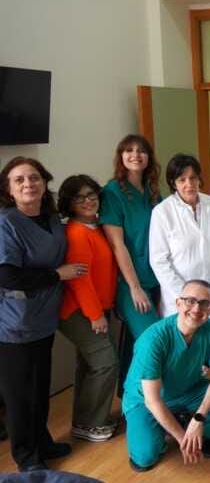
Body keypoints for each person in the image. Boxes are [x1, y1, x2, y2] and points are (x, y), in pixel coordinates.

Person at [0, 157, 81, 471]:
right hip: (14, 324)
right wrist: (57, 275)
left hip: (44, 319)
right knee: (20, 395)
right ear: (8, 189)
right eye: (19, 180)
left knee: (39, 387)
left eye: (34, 177)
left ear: (45, 182)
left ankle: (42, 441)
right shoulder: (6, 223)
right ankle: (26, 457)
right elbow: (7, 276)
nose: (28, 184)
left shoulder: (50, 218)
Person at [121, 279, 210, 472]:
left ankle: (193, 430)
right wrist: (182, 439)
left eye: (204, 303)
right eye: (190, 301)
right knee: (144, 458)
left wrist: (199, 418)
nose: (196, 308)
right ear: (178, 303)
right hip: (145, 400)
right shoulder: (153, 339)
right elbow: (152, 400)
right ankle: (176, 431)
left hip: (186, 391)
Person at [57, 175, 119, 442]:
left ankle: (83, 421)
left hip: (96, 309)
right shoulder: (77, 233)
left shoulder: (96, 227)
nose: (87, 201)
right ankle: (91, 423)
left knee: (90, 364)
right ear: (69, 203)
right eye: (79, 198)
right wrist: (95, 315)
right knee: (106, 363)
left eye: (91, 195)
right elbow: (79, 280)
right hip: (79, 311)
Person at [100, 135, 162, 384]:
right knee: (154, 341)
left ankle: (129, 394)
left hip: (157, 278)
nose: (135, 155)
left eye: (141, 150)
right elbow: (118, 245)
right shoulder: (112, 192)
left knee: (137, 344)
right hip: (131, 283)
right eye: (129, 150)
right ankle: (153, 399)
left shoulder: (153, 191)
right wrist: (135, 288)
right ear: (121, 156)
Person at [149, 154, 210, 326]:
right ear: (173, 183)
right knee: (184, 338)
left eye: (193, 178)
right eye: (182, 180)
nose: (189, 184)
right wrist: (186, 295)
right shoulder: (162, 212)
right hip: (180, 297)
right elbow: (158, 261)